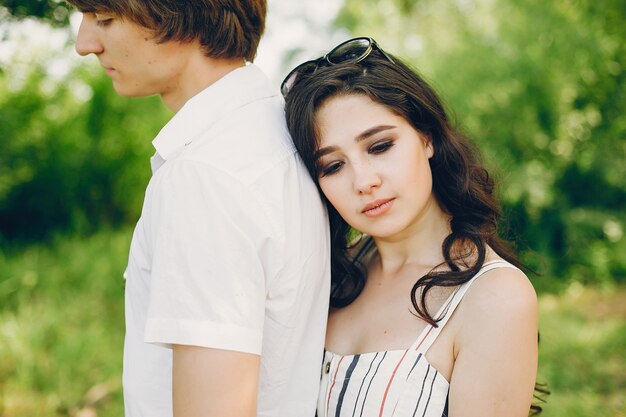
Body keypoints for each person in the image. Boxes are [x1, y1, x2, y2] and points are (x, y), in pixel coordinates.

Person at [67, 1, 330, 416]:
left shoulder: (205, 177)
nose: (85, 44)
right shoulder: (276, 133)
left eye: (104, 19)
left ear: (181, 13)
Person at [282, 37, 540, 417]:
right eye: (333, 166)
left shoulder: (494, 296)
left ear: (426, 137)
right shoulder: (329, 275)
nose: (363, 181)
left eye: (380, 146)